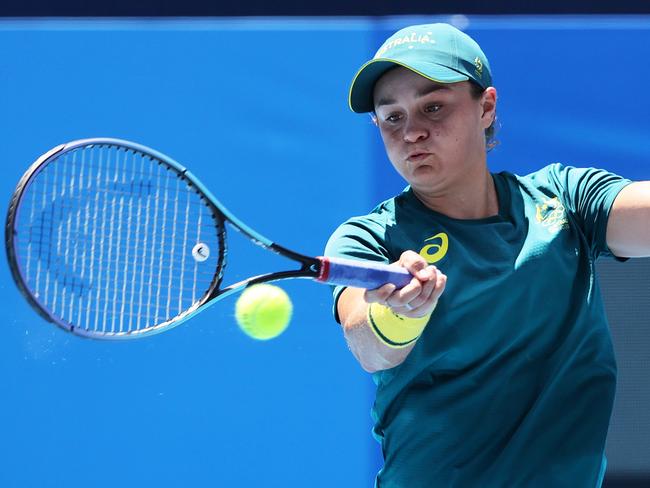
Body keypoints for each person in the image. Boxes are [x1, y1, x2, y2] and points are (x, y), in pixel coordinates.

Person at [324, 23, 650, 487]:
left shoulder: (567, 200)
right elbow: (368, 345)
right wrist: (399, 312)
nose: (412, 132)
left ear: (486, 107)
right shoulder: (370, 238)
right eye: (392, 118)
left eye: (432, 107)